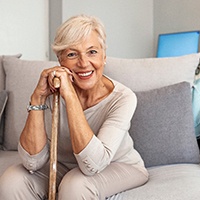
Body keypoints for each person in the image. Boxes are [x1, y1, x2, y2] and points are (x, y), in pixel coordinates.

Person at [0, 14, 149, 199]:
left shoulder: (123, 98)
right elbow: (32, 162)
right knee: (11, 181)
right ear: (60, 60)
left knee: (75, 185)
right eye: (72, 54)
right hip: (65, 166)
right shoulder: (50, 92)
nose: (83, 63)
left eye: (92, 52)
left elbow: (92, 165)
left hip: (117, 166)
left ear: (104, 56)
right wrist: (37, 98)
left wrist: (70, 96)